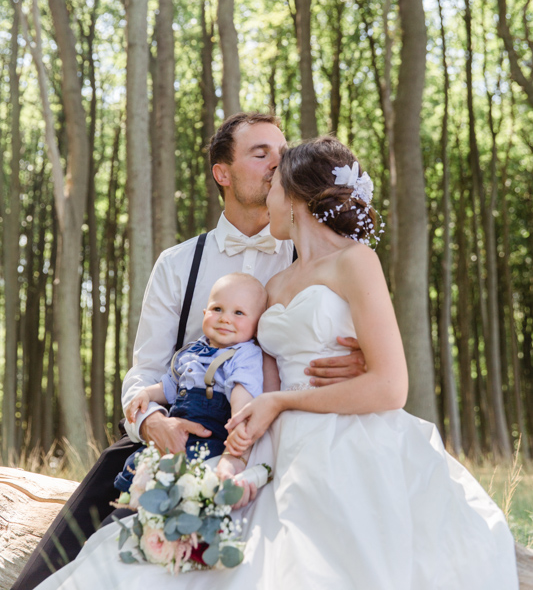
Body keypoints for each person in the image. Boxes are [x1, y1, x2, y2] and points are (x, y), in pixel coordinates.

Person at [33, 135, 518, 590]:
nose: (268, 194)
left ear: (296, 197)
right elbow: (252, 364)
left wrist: (313, 386)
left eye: (276, 184)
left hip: (342, 435)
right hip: (243, 429)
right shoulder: (272, 283)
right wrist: (231, 428)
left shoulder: (356, 261)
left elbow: (392, 387)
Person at [15, 114, 364, 590]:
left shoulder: (311, 252)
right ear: (223, 173)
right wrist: (153, 423)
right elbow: (145, 371)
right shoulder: (178, 264)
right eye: (260, 154)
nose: (275, 165)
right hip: (182, 423)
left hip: (279, 433)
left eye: (281, 155)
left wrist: (356, 361)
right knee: (76, 546)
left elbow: (350, 334)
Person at [115, 272, 267, 493]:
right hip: (176, 432)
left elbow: (242, 393)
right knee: (137, 467)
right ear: (205, 313)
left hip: (210, 438)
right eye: (217, 309)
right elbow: (169, 386)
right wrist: (147, 394)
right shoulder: (191, 351)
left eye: (239, 313)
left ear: (256, 325)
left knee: (185, 479)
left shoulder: (244, 354)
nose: (225, 318)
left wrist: (239, 424)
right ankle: (130, 504)